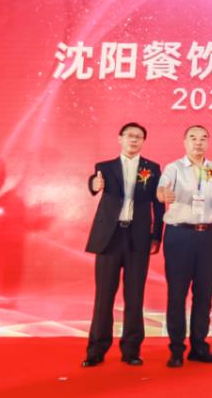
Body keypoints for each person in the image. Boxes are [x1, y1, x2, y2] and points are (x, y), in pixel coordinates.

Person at [82, 122, 164, 367]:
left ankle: (131, 350)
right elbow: (95, 183)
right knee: (104, 296)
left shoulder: (152, 168)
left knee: (135, 296)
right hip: (110, 237)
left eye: (139, 136)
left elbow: (158, 204)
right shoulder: (105, 167)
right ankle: (96, 350)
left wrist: (156, 235)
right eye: (129, 135)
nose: (134, 140)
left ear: (143, 141)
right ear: (120, 139)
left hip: (138, 238)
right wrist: (93, 185)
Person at [156, 125, 212, 368]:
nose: (198, 142)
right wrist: (164, 194)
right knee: (177, 293)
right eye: (193, 138)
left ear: (208, 142)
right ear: (184, 142)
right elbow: (161, 189)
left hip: (207, 236)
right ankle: (176, 349)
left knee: (204, 293)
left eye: (203, 138)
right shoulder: (174, 168)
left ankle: (199, 346)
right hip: (179, 235)